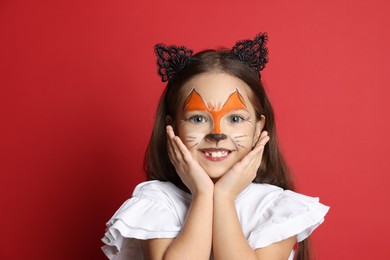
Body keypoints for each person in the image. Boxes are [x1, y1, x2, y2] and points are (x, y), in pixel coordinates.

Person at [101, 33, 330, 260]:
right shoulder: (156, 201)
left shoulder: (275, 208)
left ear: (259, 127)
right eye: (198, 119)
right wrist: (202, 194)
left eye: (236, 119)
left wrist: (224, 196)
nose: (217, 134)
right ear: (172, 128)